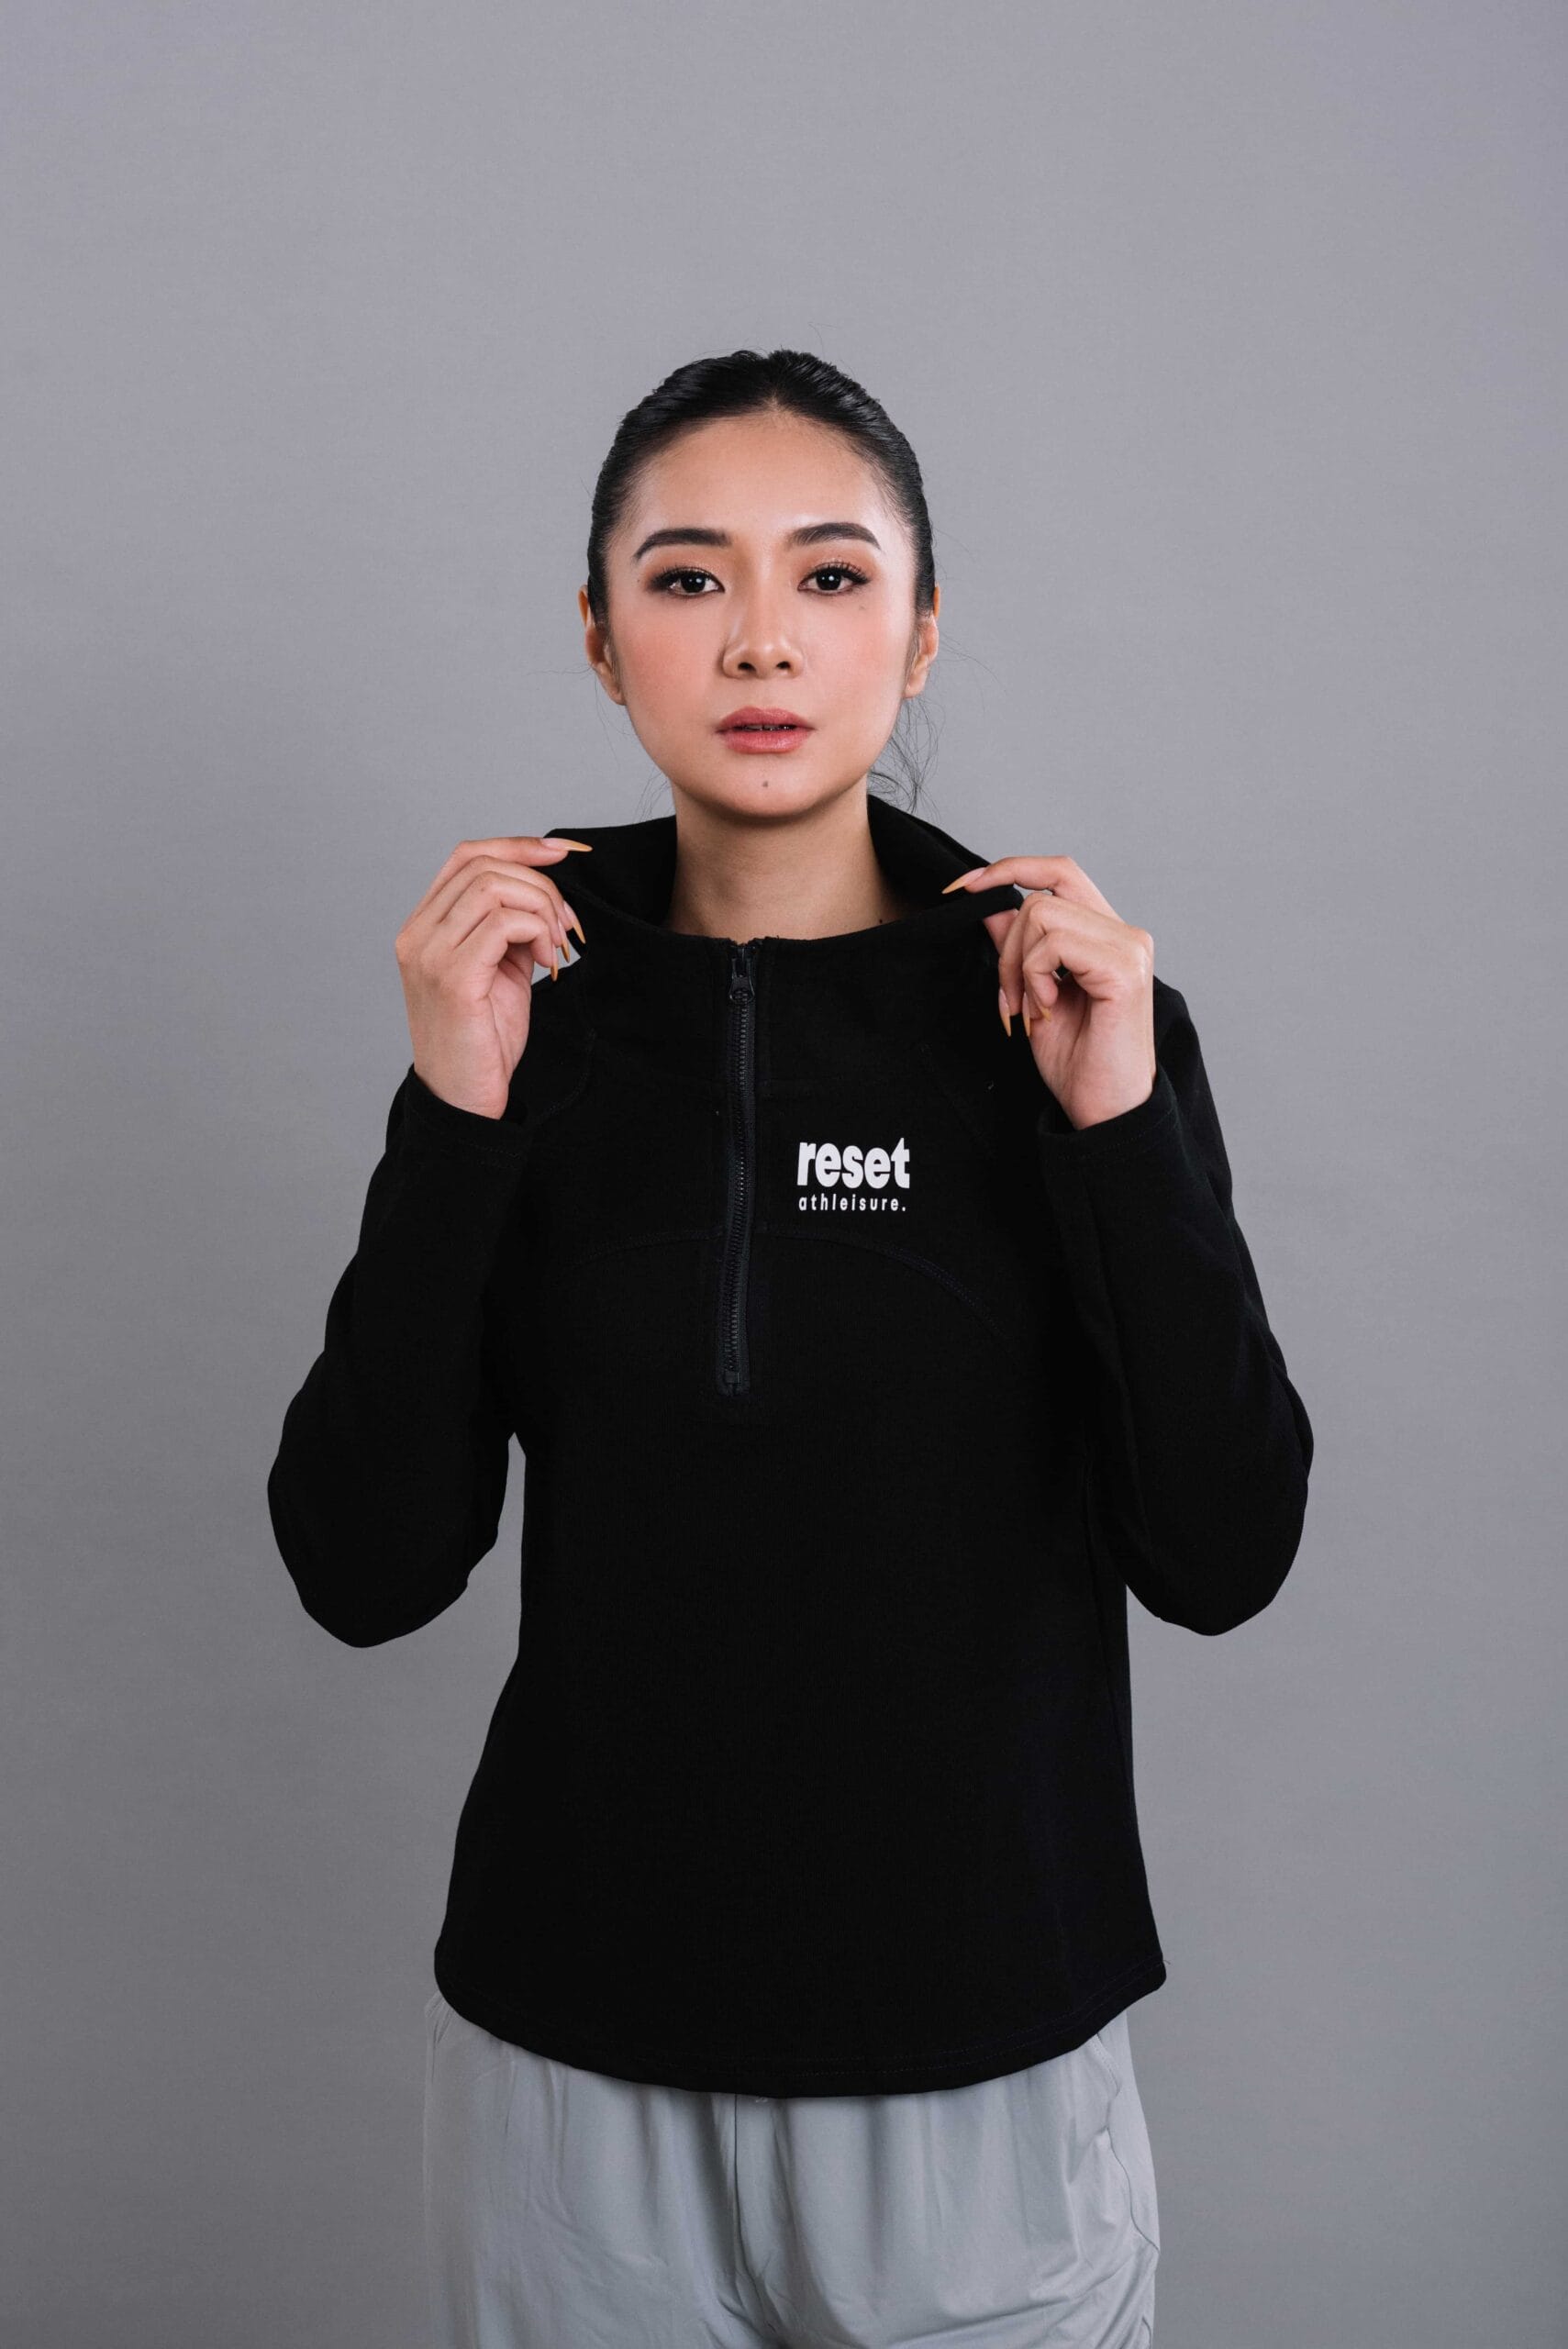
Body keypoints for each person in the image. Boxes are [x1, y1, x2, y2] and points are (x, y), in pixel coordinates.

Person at [266, 347, 1314, 2349]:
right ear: (601, 638)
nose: (761, 637)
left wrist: (1117, 1129)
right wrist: (455, 1115)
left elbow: (1223, 1549)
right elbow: (362, 1565)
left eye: (831, 577)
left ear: (920, 634)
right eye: (688, 578)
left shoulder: (1061, 1013)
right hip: (576, 2069)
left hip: (982, 2055)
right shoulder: (520, 1008)